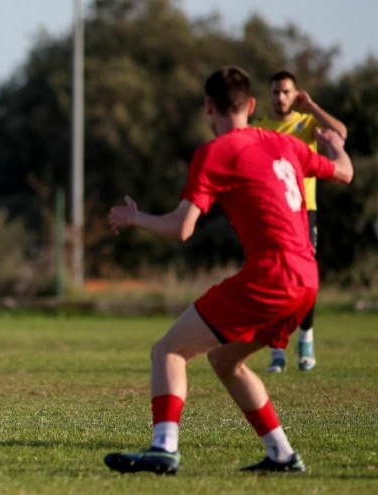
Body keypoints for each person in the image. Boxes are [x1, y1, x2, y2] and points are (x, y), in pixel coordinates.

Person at [104, 66, 352, 474]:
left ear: (208, 108)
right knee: (224, 360)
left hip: (271, 276)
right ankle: (283, 455)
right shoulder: (283, 143)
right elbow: (345, 172)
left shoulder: (215, 152)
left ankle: (163, 448)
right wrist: (333, 145)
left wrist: (135, 219)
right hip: (307, 278)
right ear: (252, 105)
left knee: (168, 350)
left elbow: (181, 228)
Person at [252, 70, 348, 373]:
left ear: (296, 94)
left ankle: (305, 339)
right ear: (268, 96)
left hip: (305, 212)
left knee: (305, 281)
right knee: (272, 280)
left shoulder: (307, 124)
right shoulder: (261, 128)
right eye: (276, 92)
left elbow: (341, 134)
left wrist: (313, 107)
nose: (280, 97)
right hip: (271, 214)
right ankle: (276, 349)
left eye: (286, 91)